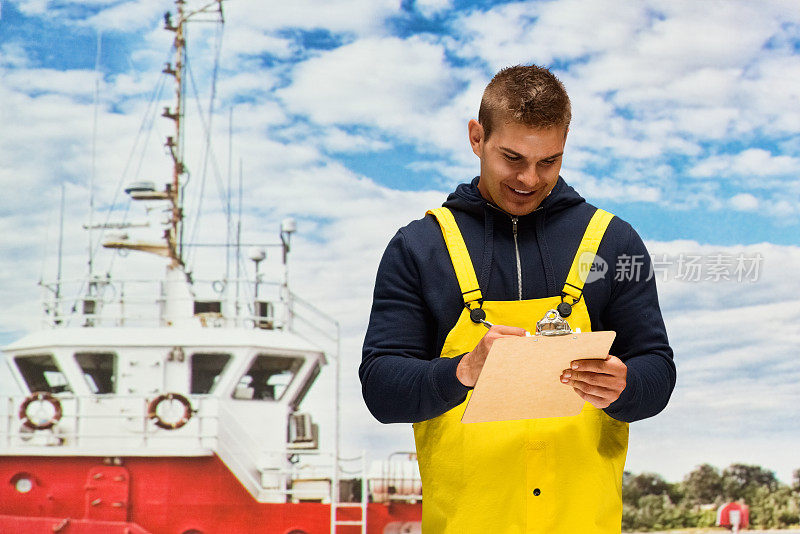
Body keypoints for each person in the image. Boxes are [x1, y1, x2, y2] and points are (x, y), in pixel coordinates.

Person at [360, 65, 675, 533]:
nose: (530, 178)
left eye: (549, 161)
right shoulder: (420, 248)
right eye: (513, 158)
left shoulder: (613, 242)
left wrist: (625, 385)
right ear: (476, 137)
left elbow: (658, 370)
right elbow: (381, 387)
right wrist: (462, 370)